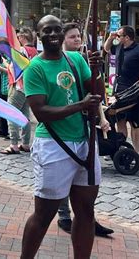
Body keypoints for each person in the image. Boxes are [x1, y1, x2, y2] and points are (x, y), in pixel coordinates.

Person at [21, 15, 102, 259]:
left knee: (86, 210)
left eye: (57, 29)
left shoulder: (76, 59)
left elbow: (96, 94)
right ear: (39, 34)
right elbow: (41, 112)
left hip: (84, 142)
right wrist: (80, 106)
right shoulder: (35, 68)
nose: (53, 34)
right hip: (53, 145)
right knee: (45, 214)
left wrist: (98, 71)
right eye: (47, 30)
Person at [56, 23, 113, 237]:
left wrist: (102, 117)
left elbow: (95, 93)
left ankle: (88, 216)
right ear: (63, 40)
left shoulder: (83, 61)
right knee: (63, 177)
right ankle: (64, 215)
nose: (77, 40)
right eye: (72, 37)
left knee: (88, 177)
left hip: (85, 128)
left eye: (78, 36)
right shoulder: (58, 62)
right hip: (63, 129)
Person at [103, 25, 139, 152]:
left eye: (119, 36)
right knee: (120, 121)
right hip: (119, 90)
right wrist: (111, 38)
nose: (117, 38)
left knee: (135, 123)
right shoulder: (119, 48)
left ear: (127, 37)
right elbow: (106, 49)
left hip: (134, 91)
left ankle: (136, 151)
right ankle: (123, 150)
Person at [0, 27, 38, 154]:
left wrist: (5, 64)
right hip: (29, 88)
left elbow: (16, 69)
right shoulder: (35, 51)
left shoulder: (21, 50)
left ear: (22, 37)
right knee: (25, 115)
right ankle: (26, 143)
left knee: (11, 114)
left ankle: (14, 144)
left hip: (19, 86)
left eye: (18, 37)